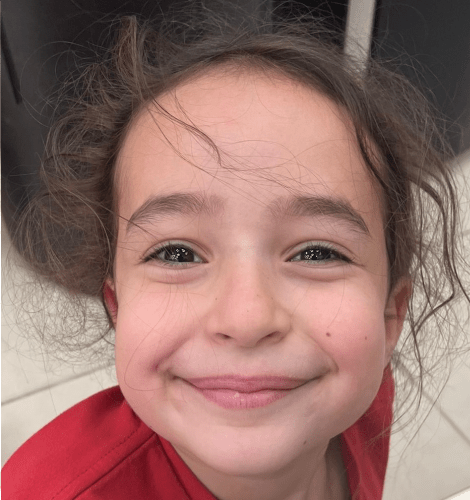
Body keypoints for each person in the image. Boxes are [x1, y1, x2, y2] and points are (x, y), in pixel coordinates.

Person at [2, 5, 468, 500]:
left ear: (389, 318)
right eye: (177, 254)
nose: (246, 319)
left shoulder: (359, 392)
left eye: (316, 253)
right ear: (117, 307)